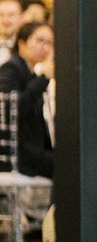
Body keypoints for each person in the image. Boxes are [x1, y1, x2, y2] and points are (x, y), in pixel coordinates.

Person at [0, 19, 54, 177]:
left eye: (50, 43)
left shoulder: (30, 72)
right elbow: (12, 109)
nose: (45, 47)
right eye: (40, 40)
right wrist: (43, 78)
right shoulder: (10, 69)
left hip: (30, 150)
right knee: (69, 165)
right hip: (17, 154)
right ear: (22, 43)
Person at [0, 0, 23, 67]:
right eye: (1, 15)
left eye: (11, 15)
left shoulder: (29, 48)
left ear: (21, 17)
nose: (6, 20)